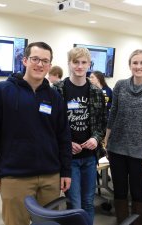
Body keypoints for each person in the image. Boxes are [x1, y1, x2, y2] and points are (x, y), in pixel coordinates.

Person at [0, 42, 72, 225]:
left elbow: (63, 137)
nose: (40, 64)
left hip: (50, 176)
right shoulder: (1, 91)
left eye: (45, 61)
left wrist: (66, 171)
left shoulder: (55, 97)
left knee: (48, 223)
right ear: (24, 61)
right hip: (15, 177)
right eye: (35, 59)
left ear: (49, 65)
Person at [104, 49, 142, 225]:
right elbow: (113, 114)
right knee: (120, 191)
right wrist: (106, 142)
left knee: (138, 192)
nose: (138, 66)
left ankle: (137, 222)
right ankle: (122, 221)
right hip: (117, 148)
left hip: (141, 151)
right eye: (135, 63)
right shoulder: (120, 85)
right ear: (130, 65)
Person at [52, 47, 107, 223]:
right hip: (69, 159)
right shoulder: (57, 90)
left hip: (90, 157)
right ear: (69, 63)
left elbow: (102, 123)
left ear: (89, 64)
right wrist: (66, 143)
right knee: (75, 204)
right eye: (76, 62)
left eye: (84, 62)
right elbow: (51, 125)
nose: (80, 66)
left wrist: (96, 138)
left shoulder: (96, 92)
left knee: (89, 202)